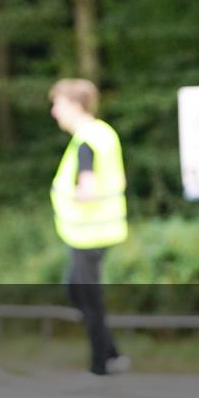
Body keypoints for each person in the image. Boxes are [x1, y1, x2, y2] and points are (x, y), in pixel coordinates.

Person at [48, 79, 130, 377]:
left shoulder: (86, 142)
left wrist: (67, 194)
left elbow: (88, 190)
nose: (54, 112)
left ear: (74, 105)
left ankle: (102, 364)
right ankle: (111, 354)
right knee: (79, 291)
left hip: (88, 233)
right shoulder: (102, 133)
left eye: (58, 104)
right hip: (97, 231)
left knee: (87, 296)